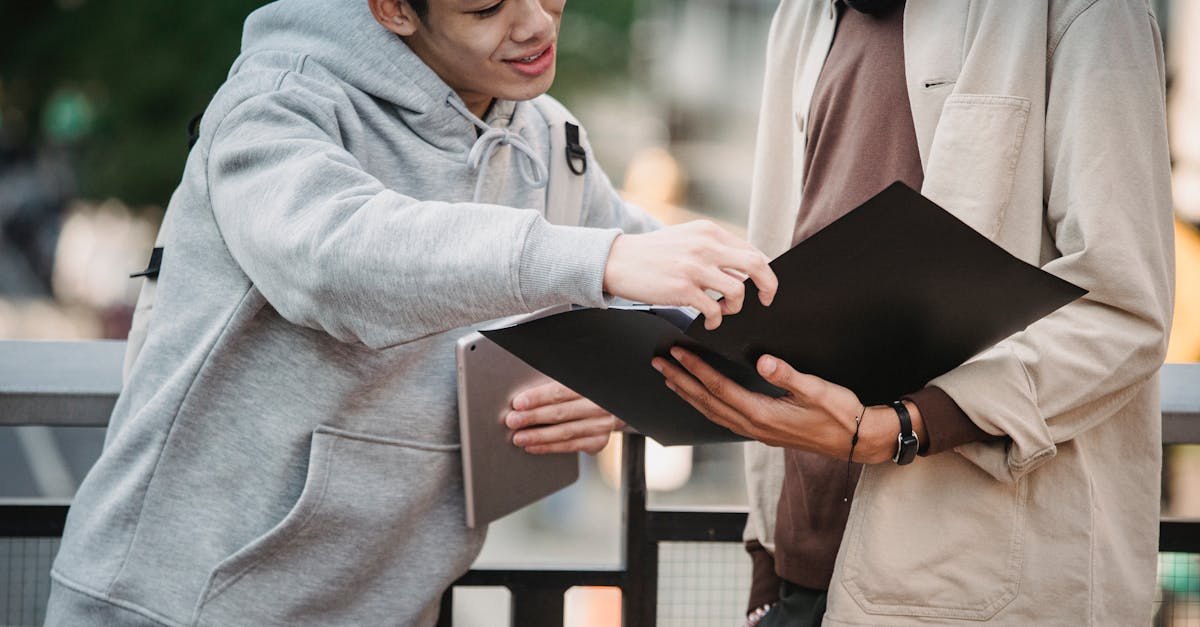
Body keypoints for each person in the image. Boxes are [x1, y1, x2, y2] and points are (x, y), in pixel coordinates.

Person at [44, 0, 778, 625]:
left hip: (394, 604)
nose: (533, 22)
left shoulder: (552, 141)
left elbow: (675, 309)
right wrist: (597, 258)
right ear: (394, 8)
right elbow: (334, 260)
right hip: (177, 603)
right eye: (485, 7)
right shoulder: (277, 105)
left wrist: (621, 392)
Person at [650, 0, 1175, 625]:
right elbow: (779, 252)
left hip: (971, 583)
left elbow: (1123, 311)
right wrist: (770, 561)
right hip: (801, 573)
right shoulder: (801, 14)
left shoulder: (1084, 11)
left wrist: (902, 427)